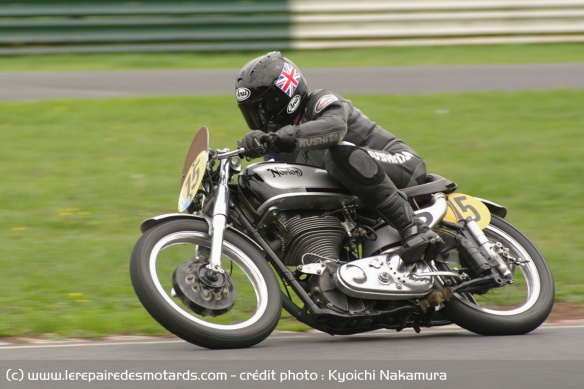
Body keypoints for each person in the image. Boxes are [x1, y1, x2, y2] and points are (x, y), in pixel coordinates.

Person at [235, 51, 442, 263]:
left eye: (264, 108)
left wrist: (280, 138)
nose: (260, 118)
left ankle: (414, 227)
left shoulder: (319, 100)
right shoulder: (276, 146)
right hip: (355, 191)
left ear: (286, 95)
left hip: (400, 163)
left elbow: (335, 128)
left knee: (340, 155)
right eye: (252, 112)